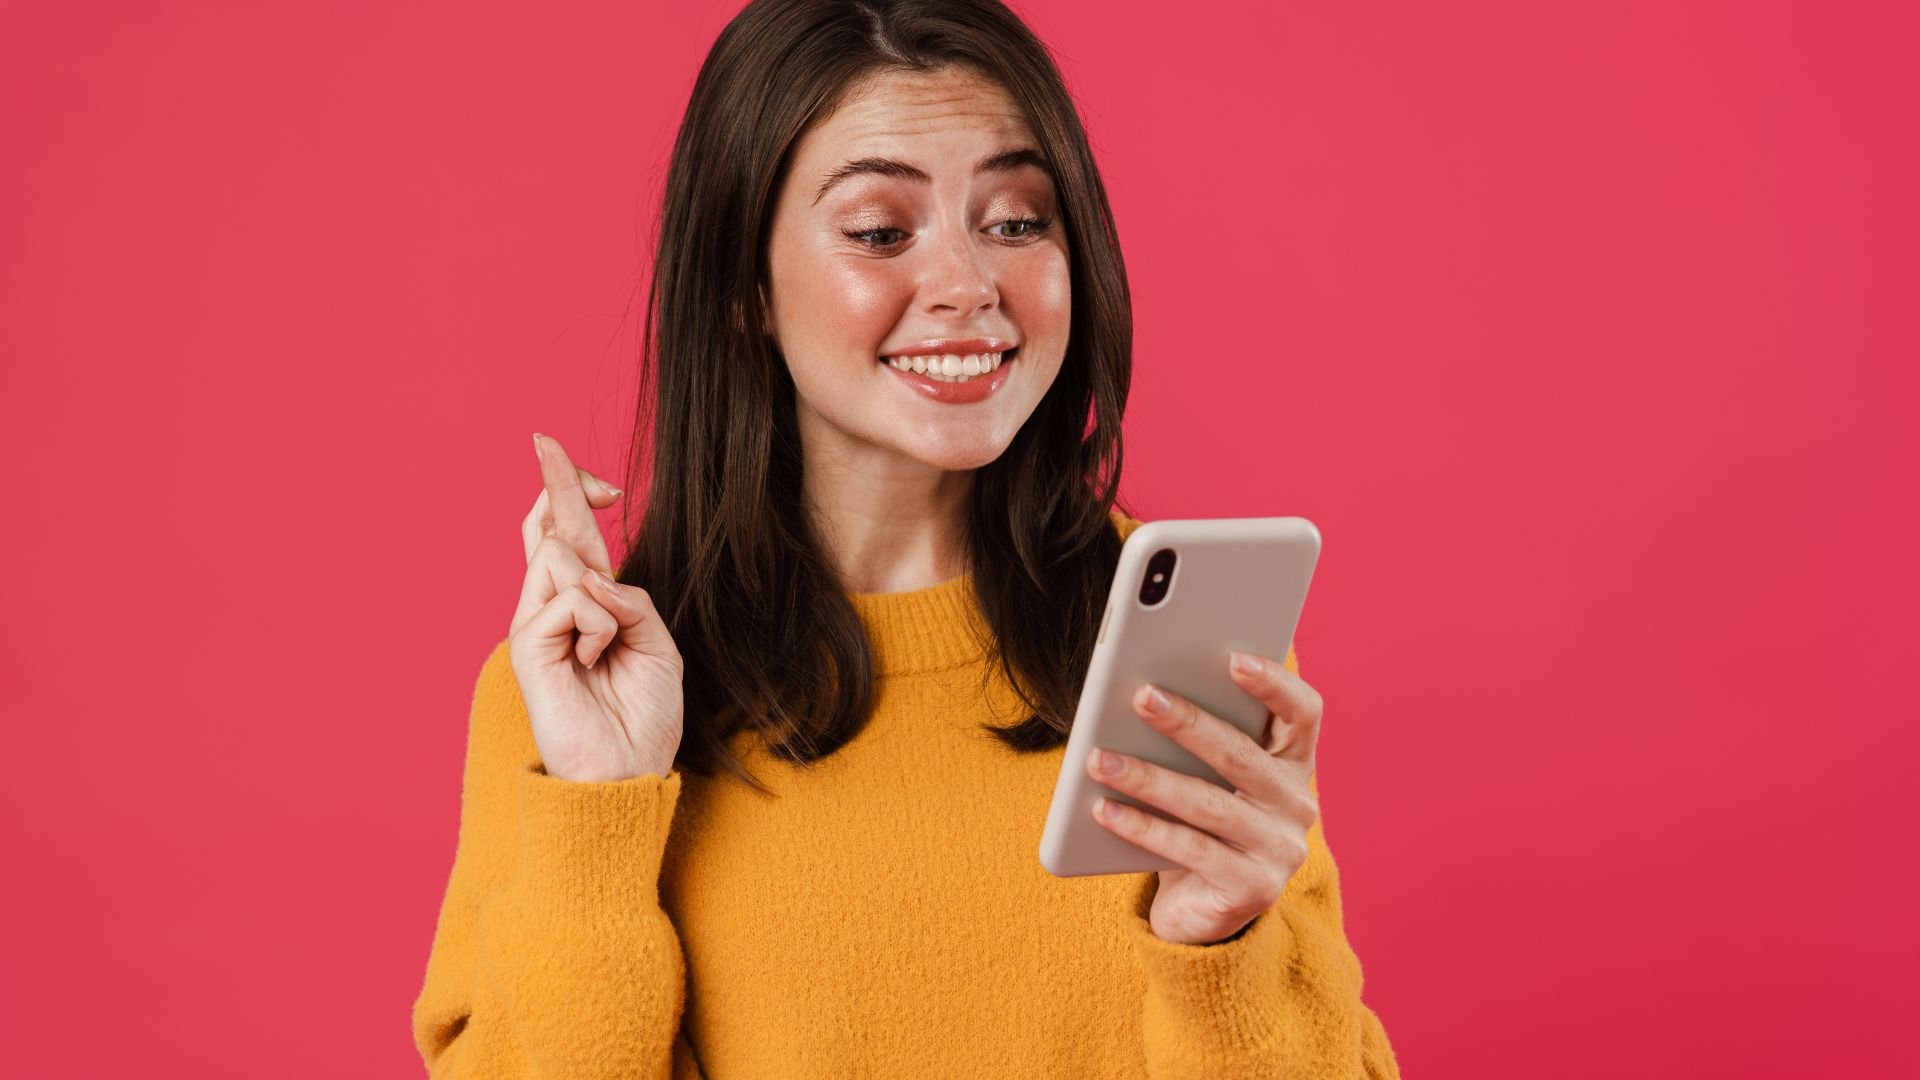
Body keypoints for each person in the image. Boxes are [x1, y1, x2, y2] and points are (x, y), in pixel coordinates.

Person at [410, 1, 1399, 1076]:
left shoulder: (1178, 656)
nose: (970, 287)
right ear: (746, 287)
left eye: (1018, 220)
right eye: (882, 231)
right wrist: (597, 814)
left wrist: (1225, 951)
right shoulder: (578, 697)